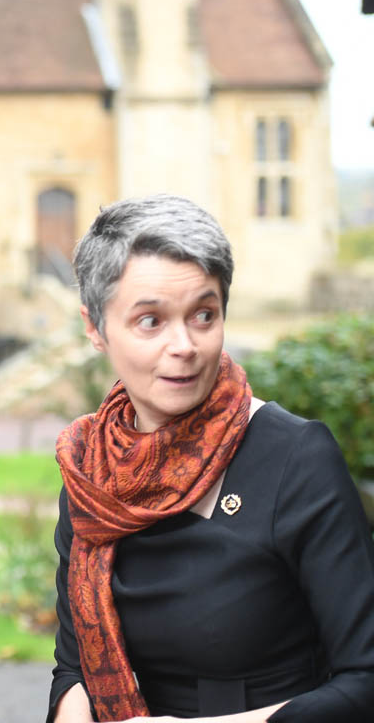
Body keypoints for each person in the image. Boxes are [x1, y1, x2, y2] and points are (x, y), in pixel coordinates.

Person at [48, 194, 374, 722]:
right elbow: (74, 668)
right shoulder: (90, 472)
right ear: (95, 328)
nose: (185, 345)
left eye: (204, 314)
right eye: (150, 321)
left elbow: (365, 681)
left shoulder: (295, 457)